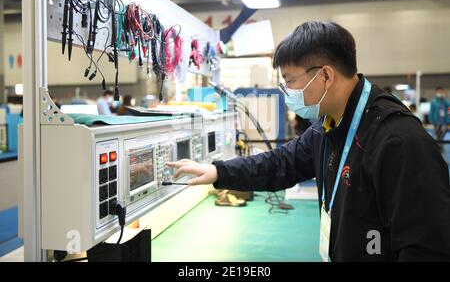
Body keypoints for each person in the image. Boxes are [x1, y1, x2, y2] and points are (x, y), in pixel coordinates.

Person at [167, 21, 450, 261]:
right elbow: (282, 163)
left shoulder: (398, 141)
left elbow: (426, 247)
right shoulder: (327, 125)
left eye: (289, 82)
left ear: (325, 75)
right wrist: (219, 171)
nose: (286, 92)